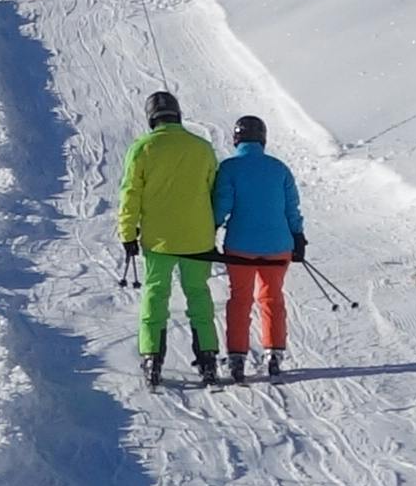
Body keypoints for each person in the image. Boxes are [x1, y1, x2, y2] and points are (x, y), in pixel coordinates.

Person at [114, 92, 223, 390]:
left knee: (155, 296)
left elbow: (130, 193)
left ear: (151, 118)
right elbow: (214, 190)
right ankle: (209, 359)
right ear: (178, 114)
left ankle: (152, 358)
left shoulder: (142, 148)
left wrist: (127, 233)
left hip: (158, 240)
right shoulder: (202, 148)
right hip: (198, 240)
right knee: (199, 296)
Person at [213, 113, 304, 382]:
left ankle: (237, 357)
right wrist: (298, 236)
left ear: (236, 138)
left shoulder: (229, 168)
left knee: (240, 299)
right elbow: (292, 209)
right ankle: (274, 353)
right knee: (272, 297)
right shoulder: (280, 168)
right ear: (263, 139)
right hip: (278, 246)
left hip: (240, 246)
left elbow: (222, 207)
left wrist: (211, 229)